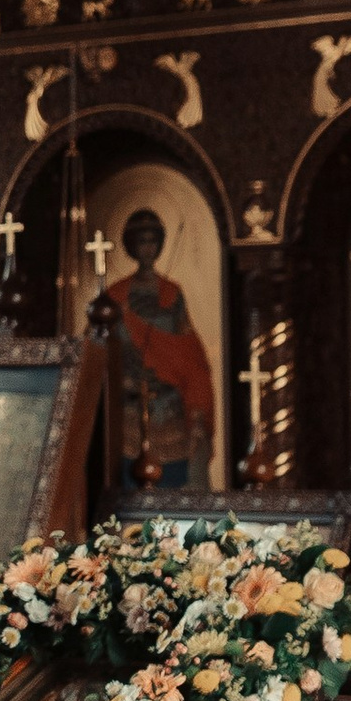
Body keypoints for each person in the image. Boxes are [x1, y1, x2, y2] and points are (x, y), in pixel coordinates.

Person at [107, 208, 216, 492]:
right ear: (131, 246)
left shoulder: (172, 293)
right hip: (128, 413)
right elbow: (99, 354)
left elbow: (188, 354)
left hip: (169, 409)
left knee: (178, 486)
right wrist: (124, 378)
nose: (148, 248)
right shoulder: (115, 297)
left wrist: (197, 413)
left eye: (153, 241)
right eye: (141, 241)